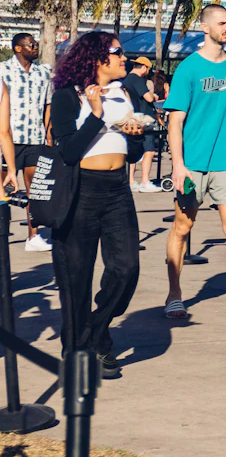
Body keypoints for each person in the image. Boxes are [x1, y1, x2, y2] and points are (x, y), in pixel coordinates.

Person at [46, 32, 146, 378]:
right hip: (80, 190)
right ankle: (79, 350)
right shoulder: (67, 95)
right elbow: (68, 151)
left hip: (117, 189)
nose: (124, 57)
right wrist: (97, 115)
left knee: (126, 268)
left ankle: (96, 328)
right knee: (76, 278)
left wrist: (135, 137)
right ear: (98, 57)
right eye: (118, 52)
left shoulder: (124, 92)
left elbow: (133, 152)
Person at [162, 4, 226, 324]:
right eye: (221, 23)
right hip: (192, 165)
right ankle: (174, 294)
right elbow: (175, 122)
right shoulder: (189, 69)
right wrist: (178, 165)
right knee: (183, 227)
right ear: (205, 28)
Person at [1, 32, 55, 252]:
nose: (35, 47)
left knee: (35, 190)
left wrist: (49, 135)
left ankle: (33, 236)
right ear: (17, 48)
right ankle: (3, 232)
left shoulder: (43, 72)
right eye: (31, 45)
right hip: (9, 140)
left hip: (35, 138)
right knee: (4, 189)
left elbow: (48, 104)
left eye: (36, 44)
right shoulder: (3, 70)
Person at [123, 56, 160, 192]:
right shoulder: (138, 79)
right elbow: (148, 97)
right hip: (144, 118)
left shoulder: (127, 79)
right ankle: (145, 181)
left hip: (133, 117)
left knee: (133, 150)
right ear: (144, 67)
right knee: (149, 150)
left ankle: (131, 180)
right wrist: (155, 96)